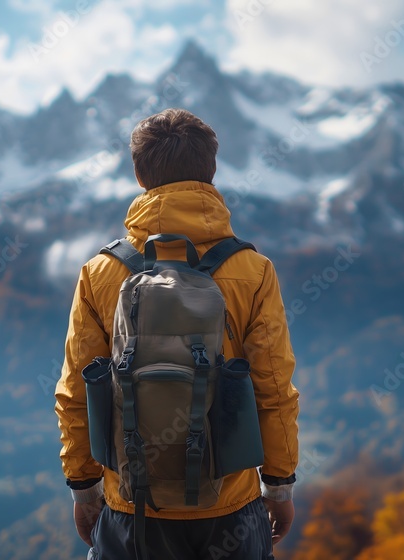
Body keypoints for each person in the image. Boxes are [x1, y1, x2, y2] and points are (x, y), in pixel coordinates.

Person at [55, 108, 300, 559]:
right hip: (231, 509)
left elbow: (76, 391)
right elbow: (274, 389)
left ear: (139, 173)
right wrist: (280, 485)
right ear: (210, 171)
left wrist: (84, 487)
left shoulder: (100, 272)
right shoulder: (253, 270)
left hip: (132, 508)